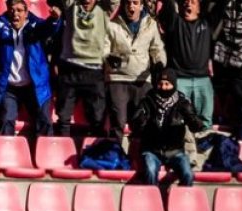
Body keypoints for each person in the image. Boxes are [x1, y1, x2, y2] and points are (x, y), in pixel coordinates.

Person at [0, 0, 57, 136]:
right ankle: (6, 155)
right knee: (6, 120)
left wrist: (55, 19)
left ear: (26, 12)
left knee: (44, 121)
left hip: (34, 86)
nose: (15, 13)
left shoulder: (35, 26)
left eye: (19, 10)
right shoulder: (1, 24)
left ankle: (44, 155)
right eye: (12, 10)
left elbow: (48, 28)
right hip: (9, 88)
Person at [48, 0, 129, 138]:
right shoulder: (71, 6)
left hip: (94, 70)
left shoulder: (104, 9)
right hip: (69, 69)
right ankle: (62, 151)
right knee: (63, 119)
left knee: (97, 120)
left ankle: (93, 156)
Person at [130, 68, 206, 188]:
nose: (164, 87)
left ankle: (179, 201)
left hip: (175, 151)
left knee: (188, 174)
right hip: (152, 150)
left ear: (173, 85)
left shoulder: (182, 103)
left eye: (167, 84)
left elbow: (196, 126)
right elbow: (135, 125)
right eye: (161, 84)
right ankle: (153, 200)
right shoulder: (147, 101)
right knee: (150, 171)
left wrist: (192, 118)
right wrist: (141, 121)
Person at [105, 0, 165, 137]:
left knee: (143, 123)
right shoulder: (112, 24)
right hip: (117, 79)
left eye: (135, 3)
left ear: (141, 6)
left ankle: (139, 156)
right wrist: (108, 57)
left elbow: (157, 48)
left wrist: (159, 62)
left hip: (142, 79)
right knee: (118, 123)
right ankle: (116, 156)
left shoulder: (151, 25)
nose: (131, 6)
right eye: (128, 3)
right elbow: (103, 47)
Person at [159, 0, 213, 128]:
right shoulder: (175, 22)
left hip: (203, 80)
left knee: (205, 121)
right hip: (180, 80)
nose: (188, 4)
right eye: (186, 2)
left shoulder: (207, 23)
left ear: (199, 9)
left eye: (193, 2)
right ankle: (182, 145)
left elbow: (221, 7)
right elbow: (168, 5)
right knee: (177, 120)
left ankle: (203, 145)